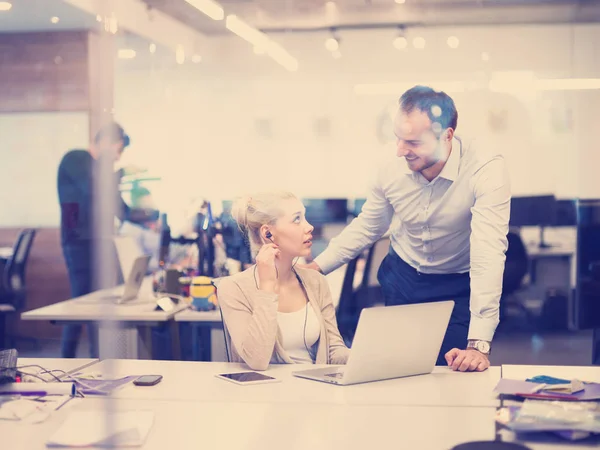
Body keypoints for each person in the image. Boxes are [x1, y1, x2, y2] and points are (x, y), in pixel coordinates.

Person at [305, 86, 511, 372]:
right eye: (398, 138)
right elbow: (370, 224)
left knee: (451, 371)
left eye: (413, 142)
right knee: (400, 368)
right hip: (402, 277)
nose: (401, 150)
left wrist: (479, 345)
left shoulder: (485, 169)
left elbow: (488, 252)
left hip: (456, 283)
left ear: (446, 136)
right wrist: (316, 267)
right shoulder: (389, 165)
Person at [216, 191, 350, 371]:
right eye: (297, 219)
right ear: (268, 233)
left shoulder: (316, 282)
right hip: (264, 394)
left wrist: (363, 357)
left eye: (305, 218)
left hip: (314, 390)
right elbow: (257, 360)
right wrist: (267, 287)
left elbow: (334, 350)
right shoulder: (232, 288)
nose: (309, 226)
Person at [57, 122, 132, 358]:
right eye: (117, 150)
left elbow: (119, 207)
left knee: (97, 301)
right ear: (105, 142)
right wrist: (121, 174)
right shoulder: (76, 159)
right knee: (81, 301)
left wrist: (148, 218)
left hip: (97, 241)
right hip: (77, 241)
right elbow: (93, 188)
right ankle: (66, 358)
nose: (117, 158)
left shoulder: (101, 171)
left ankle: (97, 360)